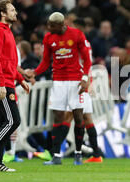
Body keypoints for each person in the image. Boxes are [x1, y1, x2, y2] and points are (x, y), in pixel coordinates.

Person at [26, 12, 92, 166]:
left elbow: (87, 59)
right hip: (58, 82)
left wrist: (84, 78)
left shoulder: (76, 35)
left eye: (52, 26)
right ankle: (56, 156)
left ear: (61, 25)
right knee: (57, 117)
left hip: (75, 81)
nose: (49, 28)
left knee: (78, 117)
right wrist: (35, 72)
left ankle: (78, 153)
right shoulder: (49, 38)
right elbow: (45, 62)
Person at [0, 0, 31, 172]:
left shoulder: (6, 30)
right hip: (0, 83)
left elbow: (8, 61)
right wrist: (1, 84)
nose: (15, 12)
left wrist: (20, 79)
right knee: (13, 121)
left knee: (3, 121)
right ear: (2, 13)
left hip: (7, 80)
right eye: (12, 10)